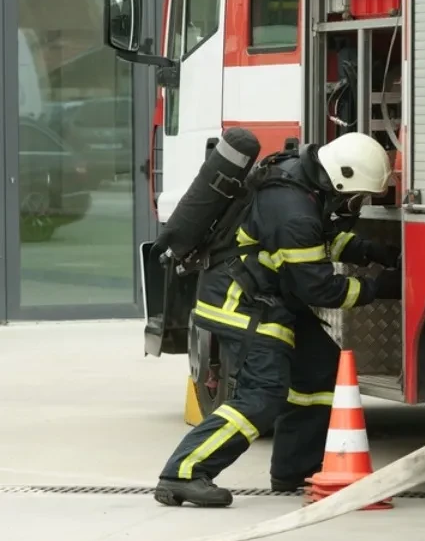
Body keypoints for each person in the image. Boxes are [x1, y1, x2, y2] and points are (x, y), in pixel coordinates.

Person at [154, 132, 404, 508]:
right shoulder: (294, 211)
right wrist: (379, 287)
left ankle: (295, 470)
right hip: (241, 305)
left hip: (266, 297)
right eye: (357, 195)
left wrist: (372, 251)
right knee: (262, 394)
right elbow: (319, 288)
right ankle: (183, 473)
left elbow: (322, 238)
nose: (357, 203)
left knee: (320, 367)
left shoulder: (300, 181)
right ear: (342, 179)